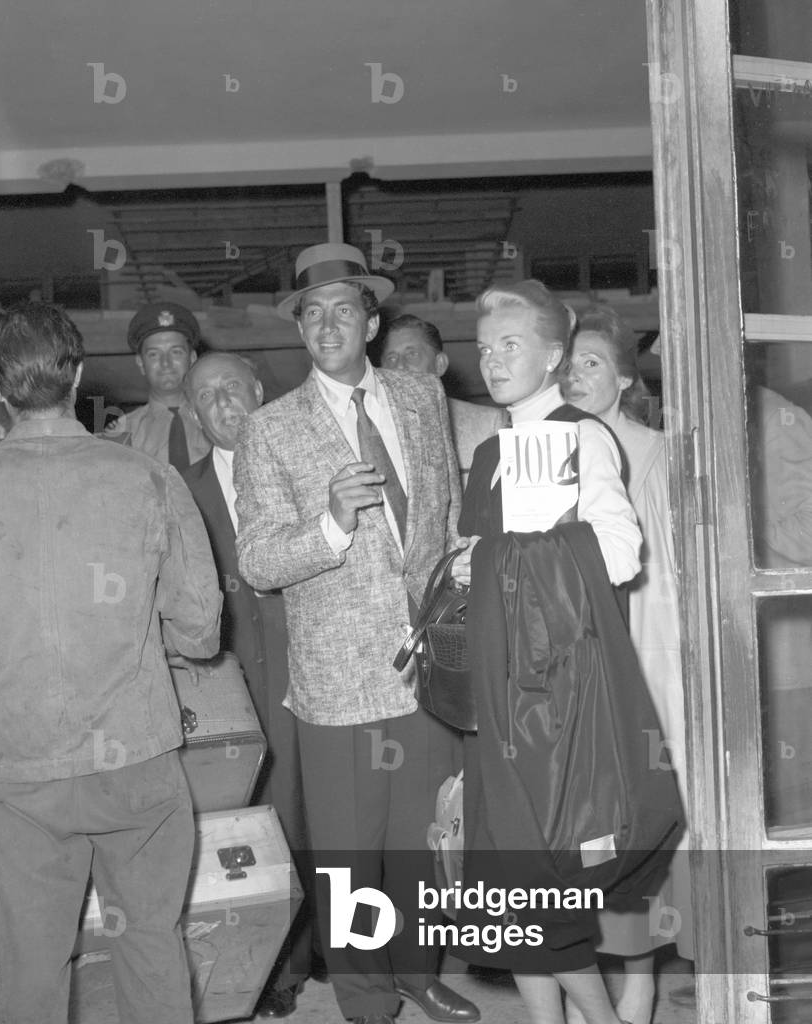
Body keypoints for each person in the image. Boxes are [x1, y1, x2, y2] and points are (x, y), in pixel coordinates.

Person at [0, 302, 221, 1024]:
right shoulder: (150, 480)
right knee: (149, 941)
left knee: (32, 962)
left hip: (23, 767)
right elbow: (202, 630)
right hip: (137, 757)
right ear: (78, 374)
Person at [234, 243, 480, 1024]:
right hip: (339, 681)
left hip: (430, 667)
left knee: (424, 837)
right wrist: (331, 524)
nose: (327, 324)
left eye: (344, 309)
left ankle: (418, 971)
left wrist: (463, 570)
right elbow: (259, 561)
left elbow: (440, 517)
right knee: (349, 854)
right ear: (300, 328)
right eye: (312, 312)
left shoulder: (417, 398)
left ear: (371, 322)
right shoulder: (271, 430)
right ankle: (366, 996)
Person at [451, 281, 643, 1024]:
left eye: (512, 346)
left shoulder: (581, 437)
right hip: (493, 695)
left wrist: (500, 559)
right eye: (485, 348)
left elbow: (622, 553)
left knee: (542, 893)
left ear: (554, 355)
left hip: (553, 706)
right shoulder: (492, 451)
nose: (493, 362)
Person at [562, 305, 691, 1024]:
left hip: (644, 656)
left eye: (593, 364)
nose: (578, 376)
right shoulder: (544, 451)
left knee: (640, 825)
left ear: (623, 378)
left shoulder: (660, 452)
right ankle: (590, 980)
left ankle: (638, 981)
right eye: (570, 363)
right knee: (584, 832)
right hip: (573, 663)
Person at [182, 351, 317, 1019]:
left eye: (233, 387)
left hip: (316, 666)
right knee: (258, 824)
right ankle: (277, 971)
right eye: (206, 396)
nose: (224, 402)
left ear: (261, 392)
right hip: (230, 682)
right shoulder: (178, 488)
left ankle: (350, 952)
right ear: (194, 415)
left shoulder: (307, 467)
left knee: (329, 817)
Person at [379, 314, 503, 488]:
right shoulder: (370, 429)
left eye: (411, 354)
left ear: (440, 364)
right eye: (391, 358)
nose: (399, 366)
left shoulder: (488, 425)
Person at [107, 300, 210, 470]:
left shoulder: (217, 420)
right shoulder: (121, 434)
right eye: (154, 354)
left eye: (176, 352)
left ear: (192, 358)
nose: (166, 363)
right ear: (141, 363)